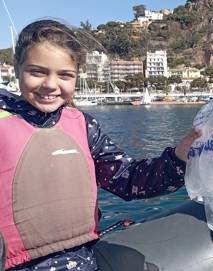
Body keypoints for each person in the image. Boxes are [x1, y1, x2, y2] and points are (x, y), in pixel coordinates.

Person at [0, 19, 200, 271]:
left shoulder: (83, 126)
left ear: (77, 75)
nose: (50, 84)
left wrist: (180, 157)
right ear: (17, 67)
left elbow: (128, 179)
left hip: (82, 262)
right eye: (37, 72)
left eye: (65, 75)